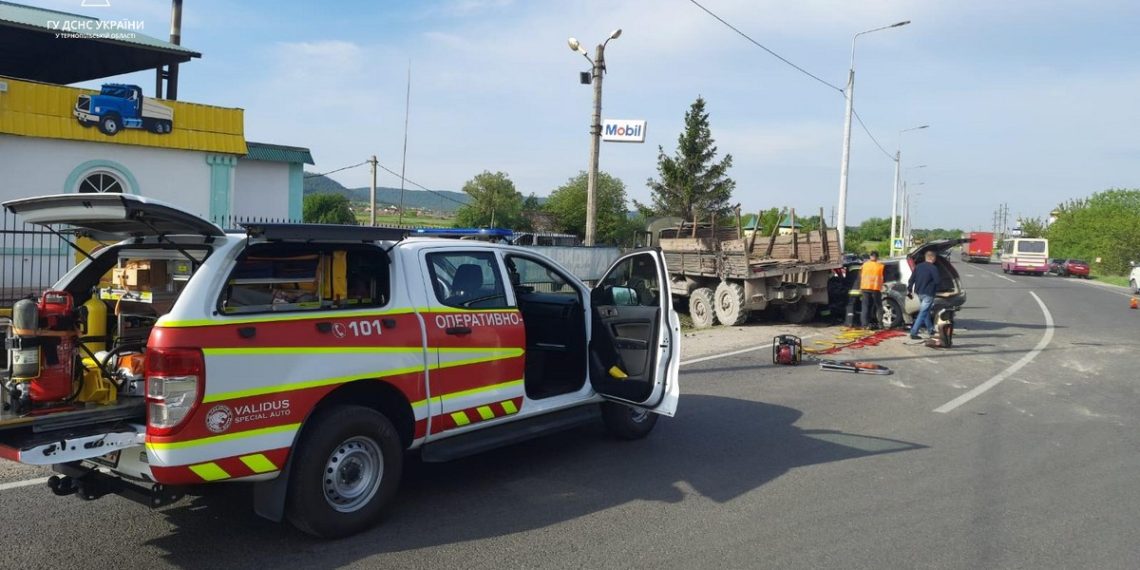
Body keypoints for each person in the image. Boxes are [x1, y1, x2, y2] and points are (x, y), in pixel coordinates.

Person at [907, 250, 941, 339]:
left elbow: (911, 279)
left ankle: (930, 329)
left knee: (926, 312)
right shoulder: (933, 268)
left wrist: (910, 289)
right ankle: (914, 332)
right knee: (923, 313)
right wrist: (937, 289)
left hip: (919, 293)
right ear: (932, 258)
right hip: (929, 293)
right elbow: (937, 281)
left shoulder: (918, 267)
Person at [859, 251, 885, 329]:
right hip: (875, 288)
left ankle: (864, 325)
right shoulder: (880, 266)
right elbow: (884, 277)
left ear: (870, 257)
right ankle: (880, 324)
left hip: (865, 287)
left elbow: (860, 275)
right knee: (879, 306)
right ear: (877, 257)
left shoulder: (864, 265)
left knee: (865, 306)